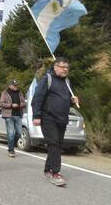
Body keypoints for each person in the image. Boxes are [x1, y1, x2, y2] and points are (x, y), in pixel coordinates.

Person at [31, 57, 79, 187]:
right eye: (62, 67)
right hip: (48, 118)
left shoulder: (67, 82)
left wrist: (73, 101)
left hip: (62, 118)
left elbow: (66, 100)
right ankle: (55, 173)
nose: (65, 69)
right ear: (55, 67)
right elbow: (37, 98)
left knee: (56, 145)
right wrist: (36, 116)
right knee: (54, 143)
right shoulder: (47, 79)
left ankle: (47, 170)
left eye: (67, 67)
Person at [0, 80, 26, 157]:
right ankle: (11, 150)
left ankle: (11, 146)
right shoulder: (5, 93)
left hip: (18, 115)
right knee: (11, 134)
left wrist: (21, 104)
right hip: (8, 116)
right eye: (14, 85)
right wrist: (11, 105)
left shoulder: (20, 92)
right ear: (10, 85)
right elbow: (1, 103)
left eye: (16, 85)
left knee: (19, 133)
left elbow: (24, 103)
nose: (16, 87)